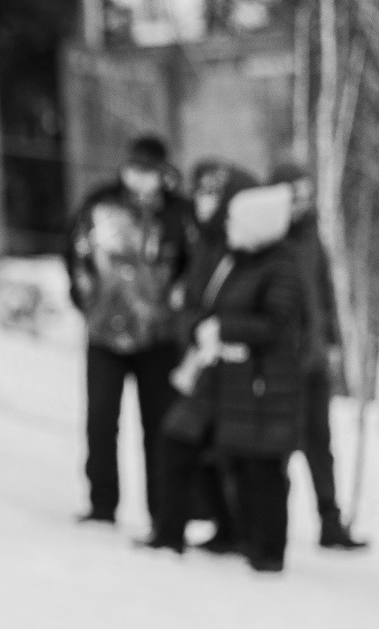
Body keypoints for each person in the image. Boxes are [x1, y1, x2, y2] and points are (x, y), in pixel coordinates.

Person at [155, 181, 305, 571]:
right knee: (184, 441)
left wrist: (224, 329)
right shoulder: (234, 260)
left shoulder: (282, 267)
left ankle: (265, 550)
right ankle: (181, 531)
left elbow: (275, 324)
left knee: (261, 467)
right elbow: (203, 303)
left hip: (261, 383)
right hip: (221, 376)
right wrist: (201, 328)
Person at [67, 134, 190, 529]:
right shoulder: (99, 204)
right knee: (101, 422)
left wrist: (178, 306)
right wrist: (86, 300)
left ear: (162, 175)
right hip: (105, 333)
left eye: (148, 172)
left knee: (159, 425)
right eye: (134, 169)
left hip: (159, 337)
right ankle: (102, 504)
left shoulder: (177, 214)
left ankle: (163, 510)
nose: (139, 179)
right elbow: (73, 253)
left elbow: (192, 265)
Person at [273, 163, 364, 550]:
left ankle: (330, 524)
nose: (302, 204)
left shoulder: (312, 237)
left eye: (307, 196)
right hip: (279, 364)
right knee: (276, 444)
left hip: (312, 362)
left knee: (320, 444)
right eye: (294, 195)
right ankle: (268, 522)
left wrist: (334, 343)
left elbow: (324, 294)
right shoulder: (268, 239)